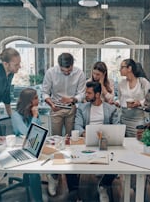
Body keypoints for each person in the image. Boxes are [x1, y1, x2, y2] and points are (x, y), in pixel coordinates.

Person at [42, 53, 86, 197]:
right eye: (63, 70)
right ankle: (53, 177)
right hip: (55, 109)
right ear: (59, 66)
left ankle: (71, 178)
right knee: (55, 142)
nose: (66, 72)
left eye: (68, 70)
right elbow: (44, 93)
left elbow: (82, 94)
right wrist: (51, 104)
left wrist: (72, 99)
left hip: (72, 109)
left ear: (73, 64)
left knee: (71, 142)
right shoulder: (51, 72)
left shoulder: (79, 73)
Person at [74, 81, 119, 202]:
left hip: (105, 141)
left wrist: (107, 135)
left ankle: (103, 185)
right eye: (85, 92)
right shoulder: (82, 108)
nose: (86, 95)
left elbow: (117, 126)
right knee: (70, 160)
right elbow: (77, 126)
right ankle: (74, 192)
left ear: (98, 94)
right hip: (86, 140)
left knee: (118, 161)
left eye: (89, 93)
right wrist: (85, 133)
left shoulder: (111, 109)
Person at [11, 88, 43, 202]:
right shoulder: (16, 116)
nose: (38, 100)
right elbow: (27, 134)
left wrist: (35, 116)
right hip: (20, 148)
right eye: (35, 98)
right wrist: (35, 116)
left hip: (33, 146)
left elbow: (39, 130)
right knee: (34, 172)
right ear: (28, 101)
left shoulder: (32, 112)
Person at [114, 58, 150, 137]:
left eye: (122, 67)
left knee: (138, 142)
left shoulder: (143, 82)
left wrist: (140, 103)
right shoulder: (121, 83)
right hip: (124, 118)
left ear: (129, 68)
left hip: (138, 119)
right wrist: (117, 102)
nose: (119, 70)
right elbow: (120, 99)